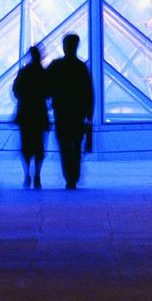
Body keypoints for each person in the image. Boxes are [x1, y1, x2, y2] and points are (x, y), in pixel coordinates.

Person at [47, 34, 94, 189]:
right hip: (77, 114)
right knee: (76, 147)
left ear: (64, 46)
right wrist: (89, 114)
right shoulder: (81, 67)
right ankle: (74, 175)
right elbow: (89, 92)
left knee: (64, 145)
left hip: (61, 113)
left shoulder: (56, 65)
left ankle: (69, 176)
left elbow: (46, 86)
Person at [12, 46, 49, 188]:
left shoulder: (24, 72)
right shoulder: (44, 73)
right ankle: (37, 174)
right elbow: (49, 91)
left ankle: (27, 173)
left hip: (25, 114)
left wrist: (24, 98)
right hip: (39, 114)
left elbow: (15, 90)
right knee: (39, 146)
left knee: (26, 146)